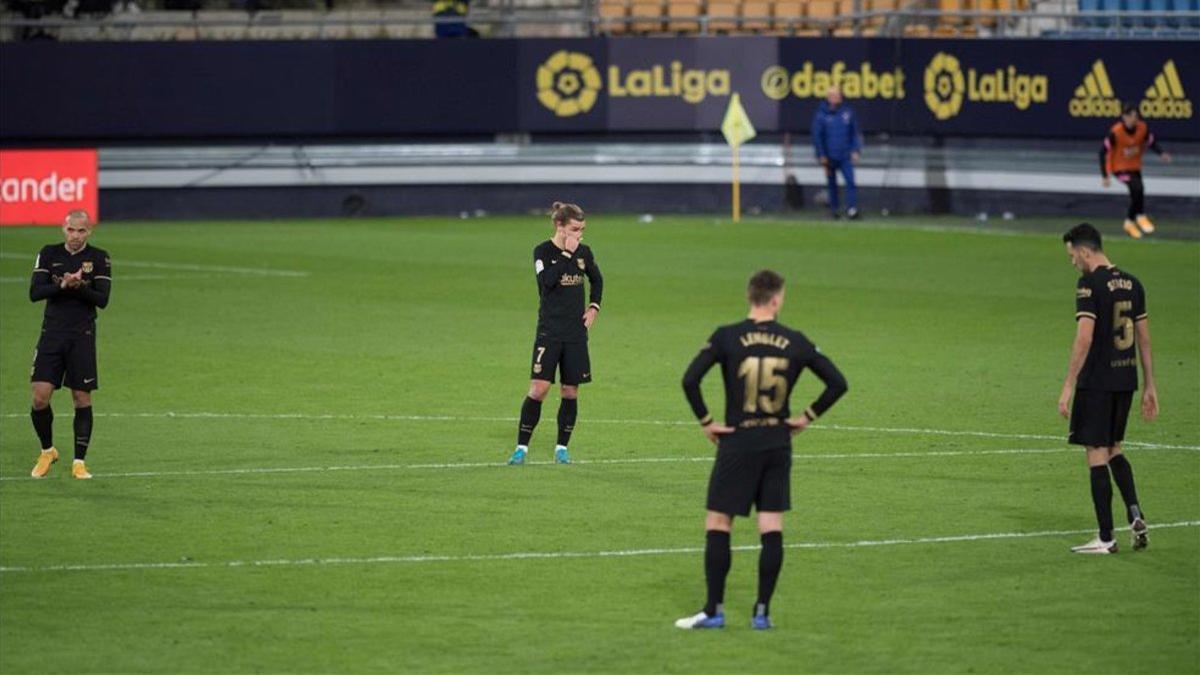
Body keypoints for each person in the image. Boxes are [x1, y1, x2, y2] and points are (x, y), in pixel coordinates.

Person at [675, 270, 847, 630]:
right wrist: (805, 418)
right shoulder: (795, 340)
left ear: (750, 296)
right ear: (776, 299)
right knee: (771, 526)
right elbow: (837, 383)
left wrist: (707, 421)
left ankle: (714, 610)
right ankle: (761, 613)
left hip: (737, 442)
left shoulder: (727, 336)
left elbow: (690, 379)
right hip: (777, 443)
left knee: (719, 523)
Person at [1058, 223, 1155, 554]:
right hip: (1126, 380)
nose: (1073, 262)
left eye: (1072, 256)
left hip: (1097, 381)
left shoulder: (1089, 284)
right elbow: (1143, 338)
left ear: (1085, 251)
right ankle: (1135, 514)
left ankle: (1105, 537)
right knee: (1114, 447)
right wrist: (1150, 385)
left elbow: (1084, 337)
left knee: (1096, 453)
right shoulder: (1134, 284)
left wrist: (1068, 385)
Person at [508, 202, 603, 466]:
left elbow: (597, 279)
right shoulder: (543, 252)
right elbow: (545, 284)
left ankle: (562, 448)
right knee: (538, 389)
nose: (580, 235)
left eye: (582, 229)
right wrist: (565, 256)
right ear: (559, 226)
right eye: (575, 229)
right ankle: (521, 449)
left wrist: (594, 306)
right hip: (549, 333)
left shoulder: (584, 253)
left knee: (570, 391)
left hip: (575, 334)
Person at [28, 210, 112, 480]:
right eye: (71, 230)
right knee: (40, 397)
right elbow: (35, 293)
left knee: (81, 398)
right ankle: (47, 450)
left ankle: (79, 462)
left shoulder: (99, 258)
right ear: (62, 229)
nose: (76, 236)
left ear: (90, 231)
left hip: (81, 335)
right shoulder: (48, 253)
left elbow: (102, 299)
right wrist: (63, 285)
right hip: (52, 333)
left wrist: (79, 286)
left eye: (81, 231)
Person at [1100, 104, 1172, 240]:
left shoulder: (1142, 128)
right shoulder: (1115, 132)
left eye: (1135, 116)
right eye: (1130, 116)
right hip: (1119, 168)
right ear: (1124, 117)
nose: (1133, 119)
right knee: (1136, 188)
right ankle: (1139, 216)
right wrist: (1105, 175)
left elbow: (1151, 142)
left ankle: (1130, 221)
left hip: (1134, 166)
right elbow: (1102, 152)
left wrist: (1161, 153)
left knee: (1139, 191)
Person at [811, 85, 862, 220]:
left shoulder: (847, 112)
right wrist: (821, 155)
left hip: (845, 155)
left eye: (839, 94)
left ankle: (851, 209)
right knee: (832, 184)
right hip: (829, 156)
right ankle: (834, 210)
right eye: (834, 95)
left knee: (850, 181)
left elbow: (854, 133)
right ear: (828, 97)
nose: (838, 97)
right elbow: (817, 136)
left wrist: (856, 150)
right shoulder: (821, 115)